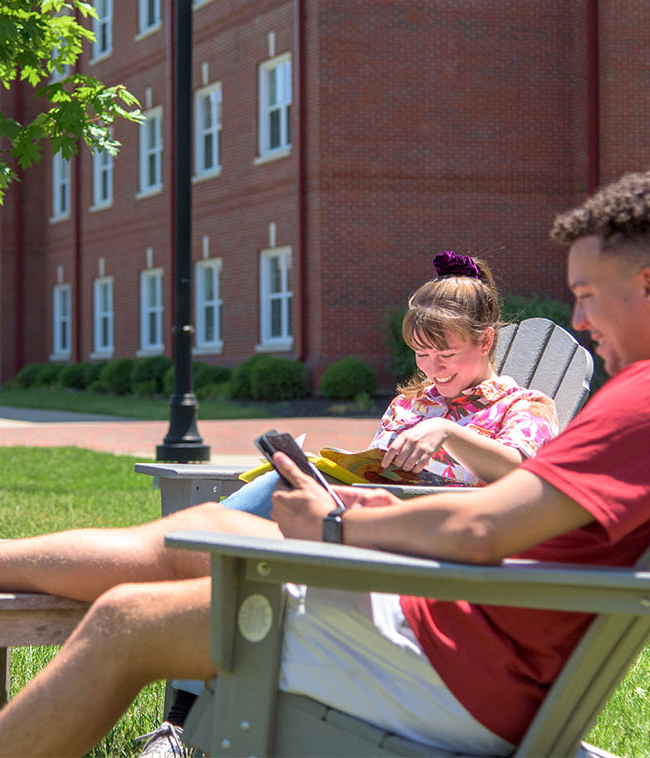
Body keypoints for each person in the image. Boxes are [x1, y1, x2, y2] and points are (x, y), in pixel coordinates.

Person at [0, 166, 650, 756]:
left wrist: (337, 522)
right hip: (471, 635)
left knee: (126, 621)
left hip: (458, 665)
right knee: (200, 532)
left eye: (590, 297)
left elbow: (485, 525)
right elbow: (517, 519)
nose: (578, 320)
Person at [143, 251, 559, 755]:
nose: (431, 368)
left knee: (231, 548)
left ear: (485, 340)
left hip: (429, 558)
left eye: (444, 354)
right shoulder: (409, 404)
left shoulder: (524, 406)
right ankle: (183, 718)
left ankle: (175, 561)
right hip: (361, 535)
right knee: (270, 510)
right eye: (420, 355)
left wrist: (447, 431)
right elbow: (372, 468)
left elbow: (522, 471)